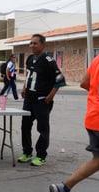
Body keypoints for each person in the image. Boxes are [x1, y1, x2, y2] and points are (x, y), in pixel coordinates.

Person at [49, 54, 99, 192]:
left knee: (98, 160)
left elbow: (85, 83)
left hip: (94, 117)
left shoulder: (98, 58)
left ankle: (64, 188)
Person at [17, 34, 66, 166]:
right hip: (29, 100)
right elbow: (29, 76)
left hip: (42, 101)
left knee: (42, 128)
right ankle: (27, 152)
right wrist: (24, 87)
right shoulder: (30, 59)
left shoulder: (49, 61)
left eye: (35, 43)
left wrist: (50, 96)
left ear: (43, 45)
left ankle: (41, 155)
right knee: (25, 126)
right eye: (31, 43)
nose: (32, 45)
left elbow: (60, 80)